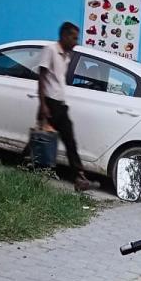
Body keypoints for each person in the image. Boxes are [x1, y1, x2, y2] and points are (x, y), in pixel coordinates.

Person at [38, 21, 92, 192]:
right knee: (41, 140)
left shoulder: (67, 56)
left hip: (61, 105)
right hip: (49, 104)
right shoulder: (50, 50)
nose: (76, 42)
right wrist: (43, 105)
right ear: (64, 36)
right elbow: (41, 78)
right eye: (74, 38)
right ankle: (28, 167)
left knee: (67, 140)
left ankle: (79, 177)